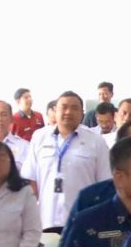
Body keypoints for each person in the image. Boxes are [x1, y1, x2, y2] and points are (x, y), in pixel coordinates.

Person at [34, 91, 112, 230]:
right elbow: (31, 181)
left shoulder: (96, 141)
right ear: (55, 111)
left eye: (74, 108)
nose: (68, 112)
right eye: (63, 107)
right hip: (45, 220)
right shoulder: (39, 137)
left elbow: (104, 185)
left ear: (82, 113)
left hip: (82, 222)